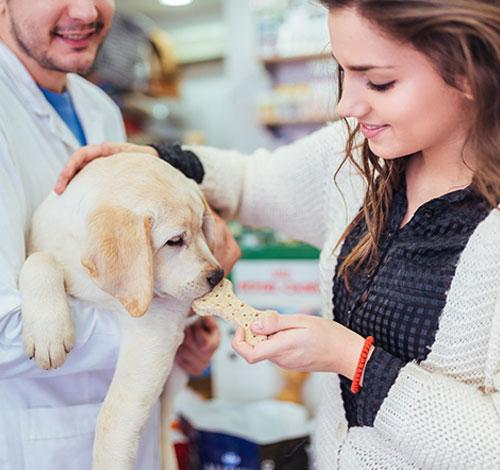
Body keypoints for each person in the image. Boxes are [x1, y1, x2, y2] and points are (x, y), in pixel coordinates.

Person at [59, 0, 500, 468]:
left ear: (468, 72)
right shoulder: (356, 158)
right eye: (342, 72)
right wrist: (150, 162)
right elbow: (249, 181)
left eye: (379, 81)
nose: (346, 105)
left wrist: (351, 358)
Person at [0, 1, 234, 468]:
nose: (87, 11)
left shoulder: (99, 106)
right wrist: (163, 325)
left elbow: (132, 266)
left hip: (132, 434)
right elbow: (7, 330)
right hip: (33, 441)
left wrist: (187, 328)